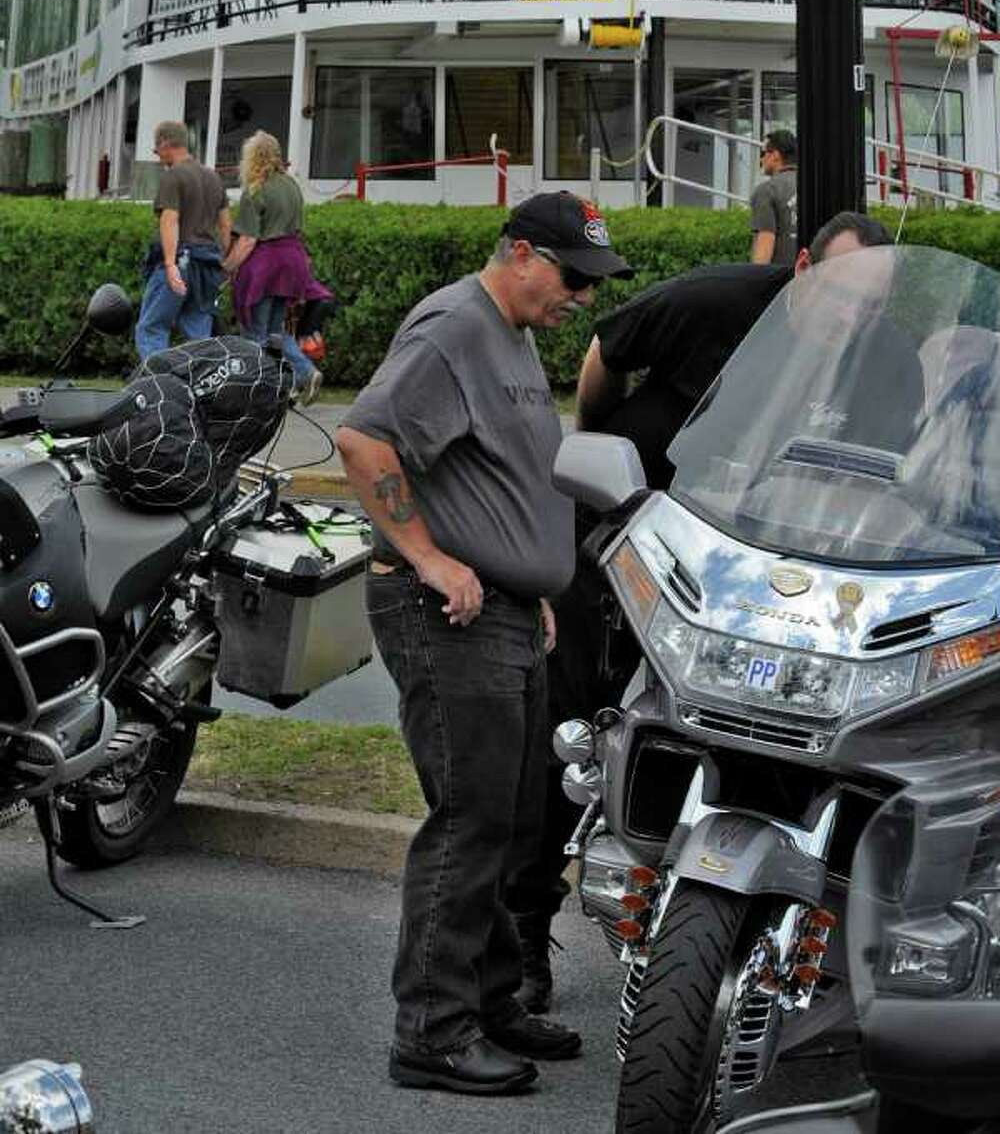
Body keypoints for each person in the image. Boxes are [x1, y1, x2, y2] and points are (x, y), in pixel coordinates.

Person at [507, 209, 897, 1012]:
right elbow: (604, 360)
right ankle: (520, 936)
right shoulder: (713, 303)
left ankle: (774, 928)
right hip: (630, 537)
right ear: (800, 270)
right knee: (570, 731)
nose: (852, 317)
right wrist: (606, 452)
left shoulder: (888, 368)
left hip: (755, 575)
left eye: (872, 305)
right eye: (840, 294)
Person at [335, 192, 632, 1099]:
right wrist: (429, 557)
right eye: (572, 276)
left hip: (504, 611)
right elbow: (362, 438)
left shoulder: (511, 331)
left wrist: (527, 582)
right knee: (469, 822)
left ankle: (491, 999)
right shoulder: (454, 326)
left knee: (512, 819)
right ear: (519, 252)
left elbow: (493, 474)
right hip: (447, 618)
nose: (579, 297)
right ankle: (431, 1028)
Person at [223, 130, 330, 404]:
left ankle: (255, 392)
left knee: (254, 333)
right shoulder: (292, 185)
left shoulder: (255, 190)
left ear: (252, 158)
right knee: (276, 331)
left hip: (265, 266)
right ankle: (305, 372)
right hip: (292, 262)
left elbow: (247, 240)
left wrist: (227, 266)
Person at [134, 120, 231, 359]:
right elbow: (226, 225)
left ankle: (158, 384)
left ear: (166, 143)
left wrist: (169, 264)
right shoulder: (213, 178)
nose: (158, 157)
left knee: (152, 327)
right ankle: (208, 386)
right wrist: (227, 265)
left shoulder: (174, 176)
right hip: (207, 264)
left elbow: (170, 220)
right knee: (198, 331)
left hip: (181, 262)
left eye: (157, 150)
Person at [750, 129, 799, 265]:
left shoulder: (767, 191)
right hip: (815, 277)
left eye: (763, 153)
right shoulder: (815, 187)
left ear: (776, 155)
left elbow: (765, 239)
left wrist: (757, 281)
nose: (761, 159)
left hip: (783, 280)